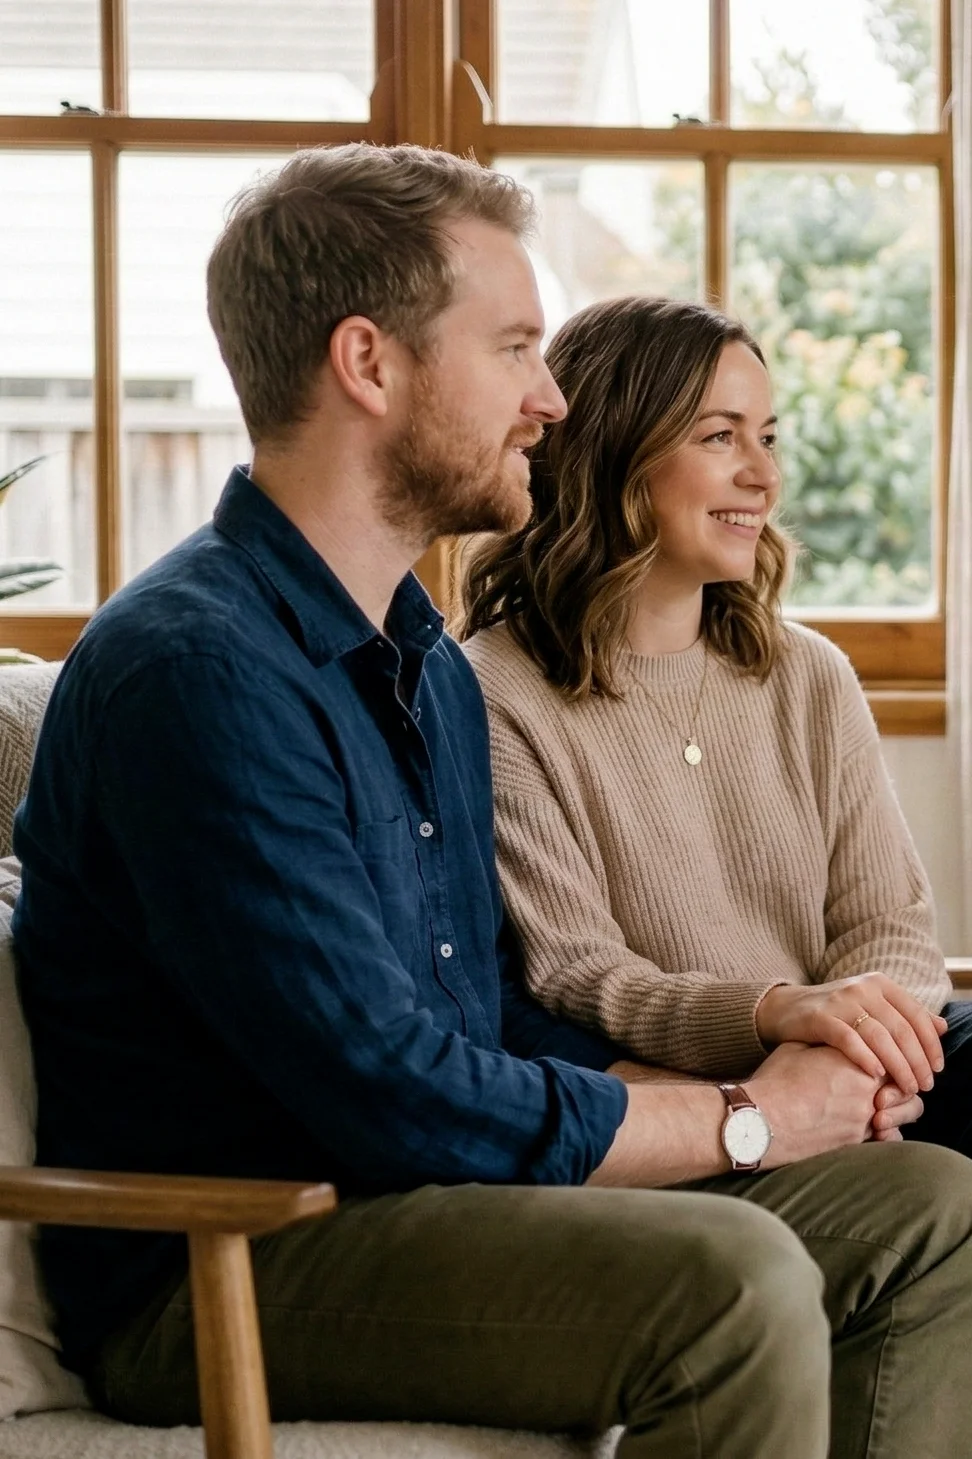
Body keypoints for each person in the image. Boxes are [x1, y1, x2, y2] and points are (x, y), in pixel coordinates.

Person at [12, 150, 972, 1459]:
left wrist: (738, 1078)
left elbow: (496, 1012)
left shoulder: (415, 666)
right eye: (516, 347)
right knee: (731, 1289)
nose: (550, 397)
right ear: (371, 363)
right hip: (240, 1253)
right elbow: (388, 1085)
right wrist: (749, 1116)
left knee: (926, 1206)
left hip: (426, 1192)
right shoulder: (198, 670)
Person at [462, 292, 972, 1160]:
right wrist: (776, 1014)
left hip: (868, 1067)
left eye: (768, 436)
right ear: (615, 451)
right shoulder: (494, 690)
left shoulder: (810, 672)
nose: (764, 476)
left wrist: (863, 1068)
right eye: (720, 436)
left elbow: (889, 925)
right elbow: (580, 973)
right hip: (690, 1094)